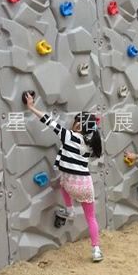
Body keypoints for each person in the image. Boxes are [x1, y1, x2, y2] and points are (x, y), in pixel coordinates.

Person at [25, 93, 104, 262]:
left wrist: (31, 107)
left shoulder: (68, 136)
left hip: (69, 183)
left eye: (76, 120)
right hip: (85, 185)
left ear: (78, 124)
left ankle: (69, 210)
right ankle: (96, 249)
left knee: (62, 182)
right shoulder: (90, 146)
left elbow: (48, 120)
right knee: (91, 217)